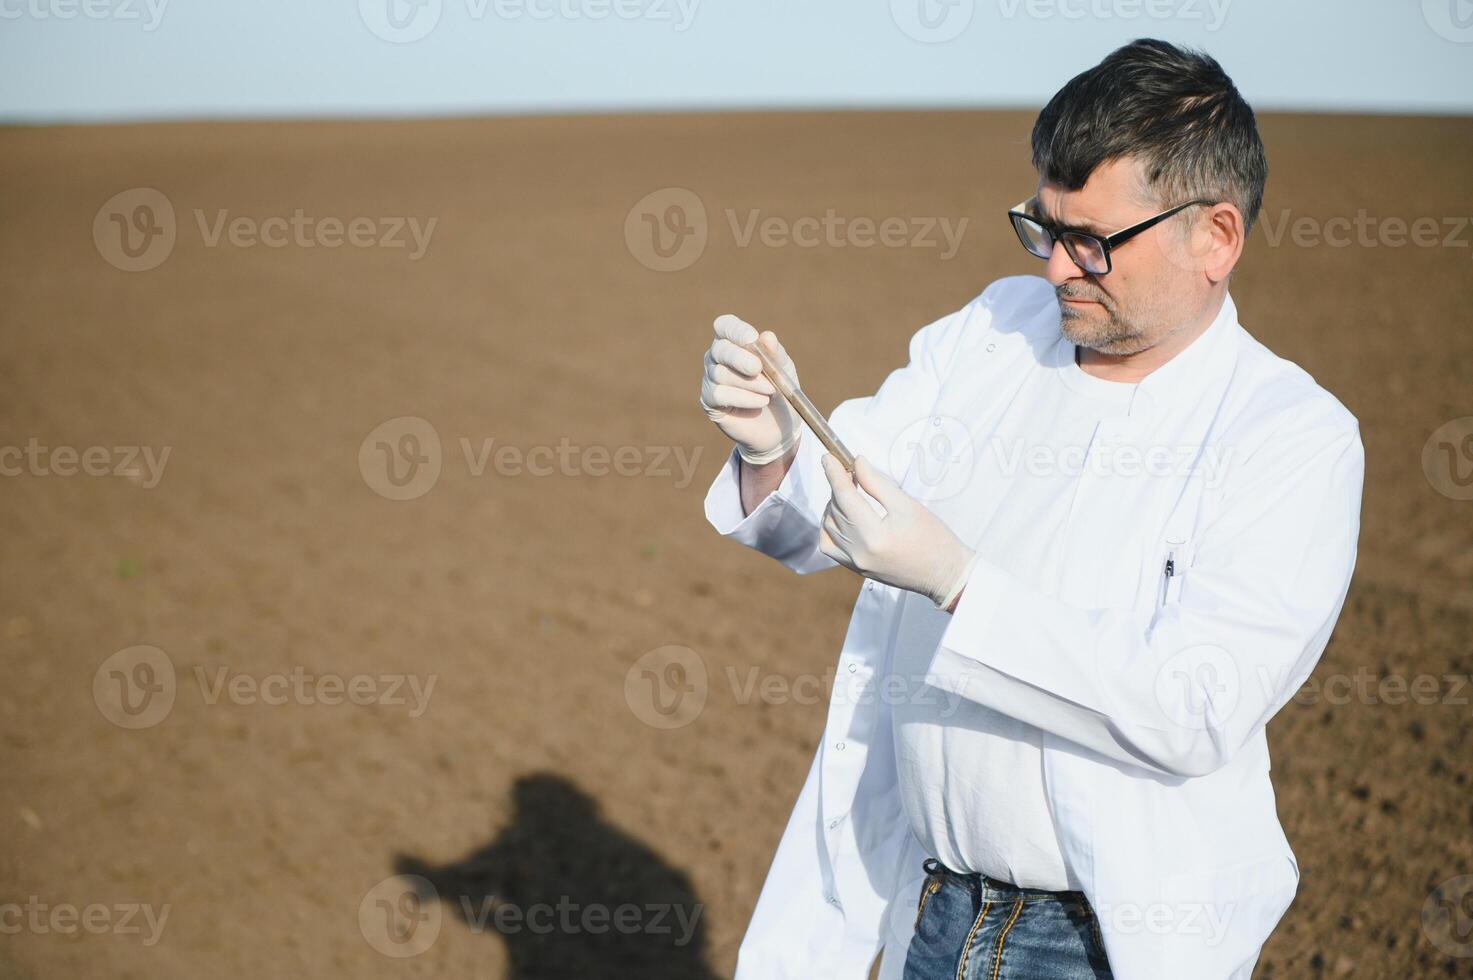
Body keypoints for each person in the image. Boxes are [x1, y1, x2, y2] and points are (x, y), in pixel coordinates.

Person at [696, 38, 1363, 980]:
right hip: (930, 908)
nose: (1056, 269)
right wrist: (773, 446)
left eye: (1093, 240)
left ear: (1215, 236)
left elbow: (1193, 706)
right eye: (1042, 227)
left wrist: (961, 584)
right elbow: (840, 497)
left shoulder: (1288, 438)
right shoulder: (995, 331)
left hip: (1094, 945)